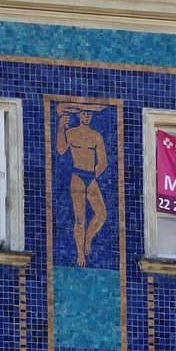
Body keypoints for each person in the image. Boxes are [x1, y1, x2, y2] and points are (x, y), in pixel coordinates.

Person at [57, 104, 108, 267]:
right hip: (77, 176)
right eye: (84, 113)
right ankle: (80, 253)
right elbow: (60, 149)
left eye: (89, 114)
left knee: (102, 215)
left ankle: (88, 239)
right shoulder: (71, 133)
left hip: (91, 177)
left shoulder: (96, 136)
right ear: (79, 115)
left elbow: (103, 162)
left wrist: (95, 175)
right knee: (80, 219)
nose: (87, 116)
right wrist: (60, 127)